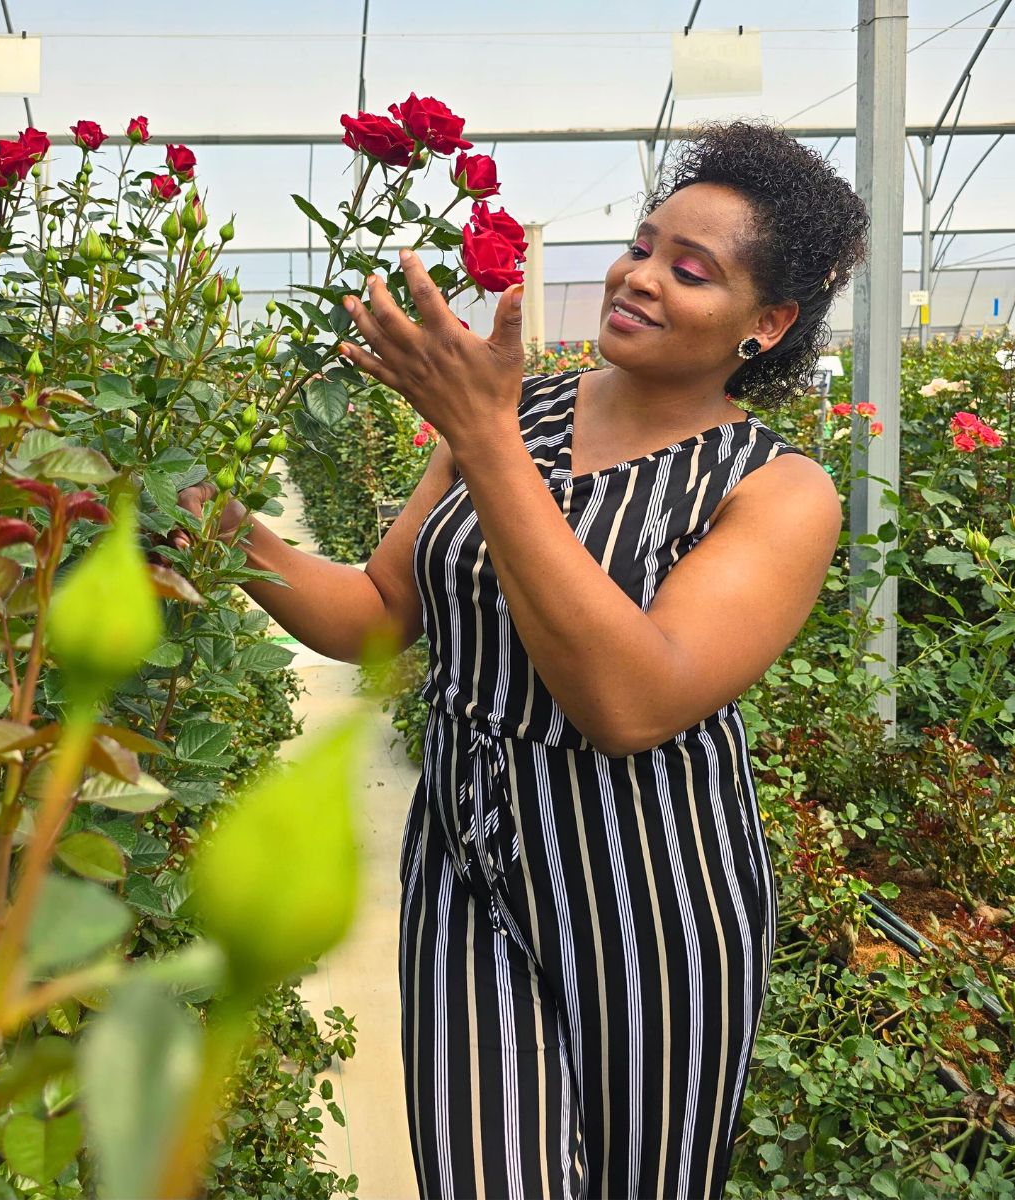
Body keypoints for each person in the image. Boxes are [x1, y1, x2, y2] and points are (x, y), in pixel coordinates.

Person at [176, 121, 867, 1200]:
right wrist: (204, 523)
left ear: (766, 324)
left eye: (690, 271)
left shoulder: (773, 489)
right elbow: (376, 614)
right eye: (641, 246)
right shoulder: (514, 413)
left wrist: (487, 440)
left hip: (650, 896)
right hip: (466, 870)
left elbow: (631, 702)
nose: (638, 278)